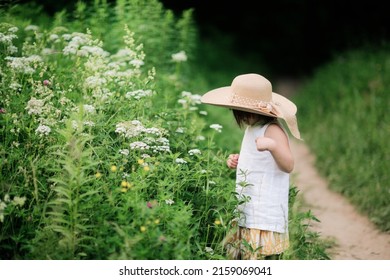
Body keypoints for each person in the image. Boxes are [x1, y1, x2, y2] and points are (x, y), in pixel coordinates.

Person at [200, 73, 302, 260]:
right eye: (238, 113)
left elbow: (288, 164)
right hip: (247, 208)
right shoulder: (252, 128)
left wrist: (272, 146)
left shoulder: (273, 130)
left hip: (264, 213)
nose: (243, 118)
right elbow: (256, 159)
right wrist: (238, 160)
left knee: (259, 257)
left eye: (245, 113)